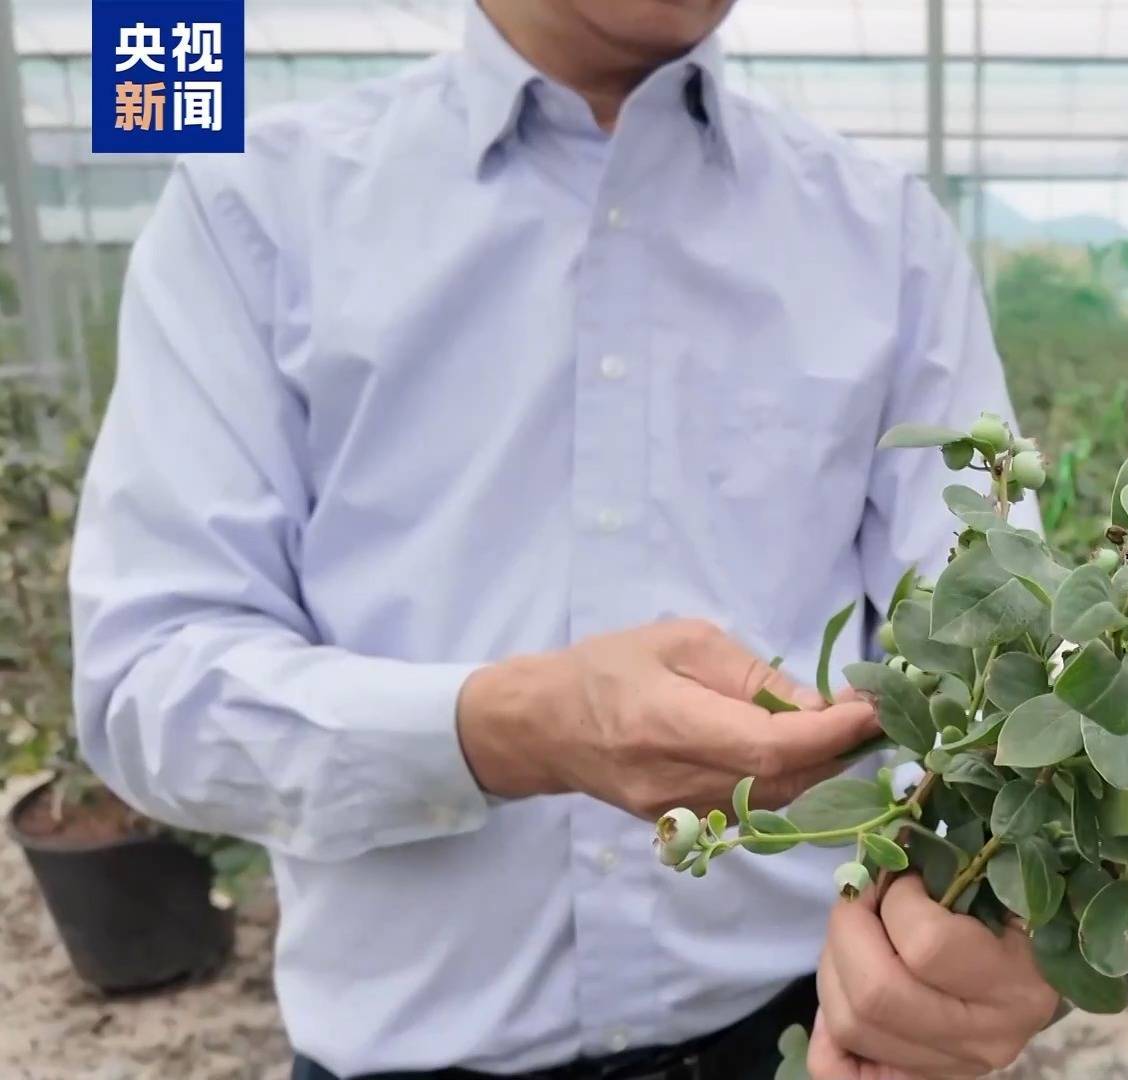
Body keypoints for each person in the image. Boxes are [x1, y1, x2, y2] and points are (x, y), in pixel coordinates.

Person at [69, 1, 1059, 1076]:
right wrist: (510, 728)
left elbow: (1002, 656)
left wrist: (1002, 925)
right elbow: (151, 687)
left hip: (801, 1037)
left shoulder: (882, 231)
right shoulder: (259, 207)